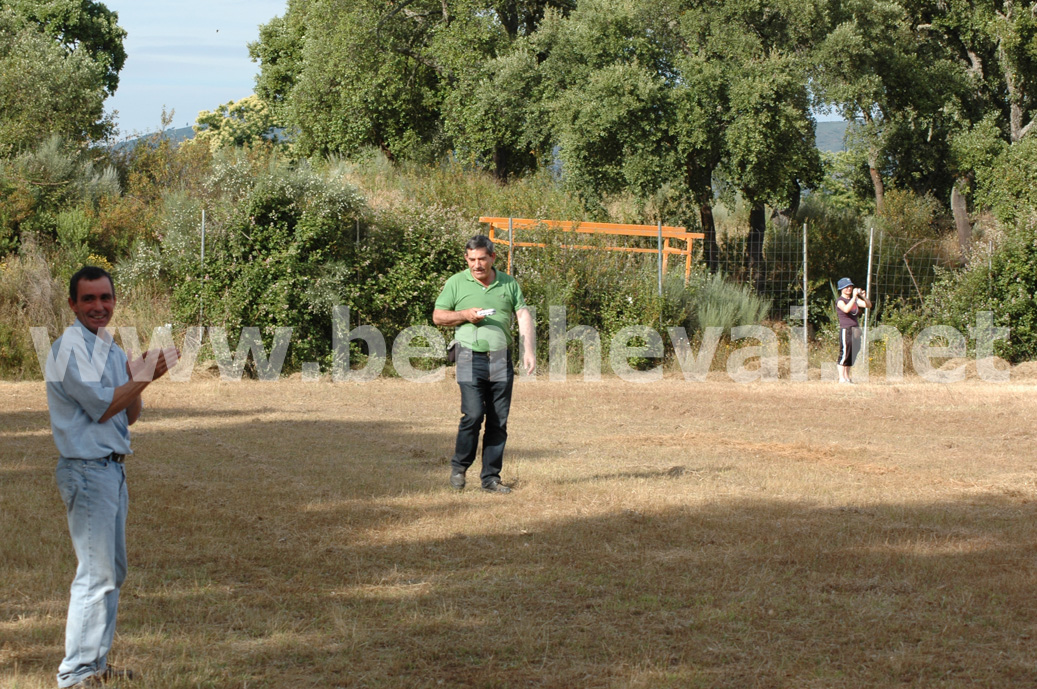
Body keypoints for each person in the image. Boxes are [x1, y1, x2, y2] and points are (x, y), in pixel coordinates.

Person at [46, 266, 178, 688]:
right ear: (72, 304)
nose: (98, 306)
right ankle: (75, 674)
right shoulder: (70, 349)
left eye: (105, 297)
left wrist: (138, 377)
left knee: (111, 572)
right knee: (96, 574)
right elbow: (103, 408)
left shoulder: (107, 346)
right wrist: (141, 376)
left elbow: (128, 414)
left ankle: (94, 666)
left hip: (111, 469)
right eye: (88, 299)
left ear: (114, 301)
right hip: (87, 471)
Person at [433, 236, 535, 493]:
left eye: (482, 259)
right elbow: (438, 316)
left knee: (498, 420)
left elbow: (522, 314)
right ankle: (459, 467)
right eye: (472, 259)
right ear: (466, 258)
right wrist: (464, 315)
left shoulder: (508, 283)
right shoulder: (456, 282)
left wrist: (529, 350)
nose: (477, 265)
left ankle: (491, 479)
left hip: (501, 358)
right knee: (474, 414)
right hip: (468, 356)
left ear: (493, 257)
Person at [835, 276, 872, 384]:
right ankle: (841, 378)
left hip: (855, 329)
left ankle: (847, 377)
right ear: (841, 289)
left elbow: (868, 305)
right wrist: (854, 297)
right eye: (846, 287)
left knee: (852, 354)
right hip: (846, 329)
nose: (849, 289)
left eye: (850, 286)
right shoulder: (840, 301)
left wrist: (863, 297)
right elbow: (846, 309)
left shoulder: (855, 300)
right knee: (845, 353)